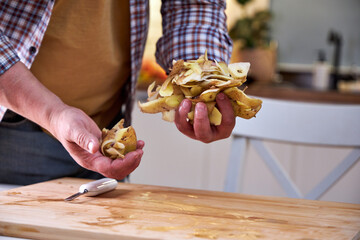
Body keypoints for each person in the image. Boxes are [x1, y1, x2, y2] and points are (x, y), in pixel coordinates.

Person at [0, 0, 234, 185]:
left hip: (107, 129)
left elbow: (192, 5)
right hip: (15, 131)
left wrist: (200, 79)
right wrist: (52, 114)